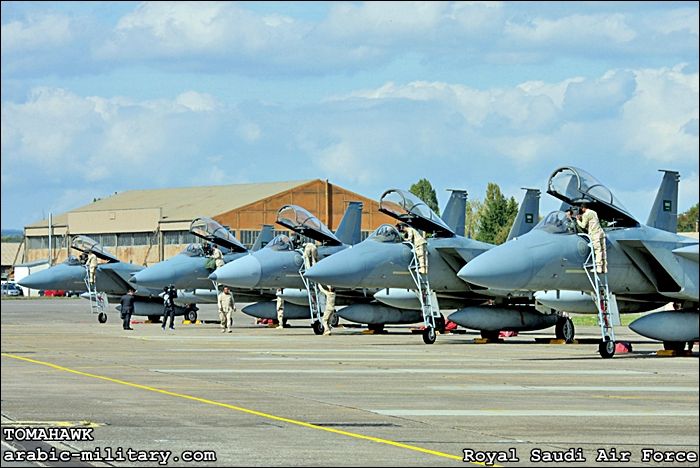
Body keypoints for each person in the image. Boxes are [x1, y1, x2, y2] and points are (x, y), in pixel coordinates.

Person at [570, 202, 607, 274]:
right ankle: (604, 268)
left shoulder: (586, 214)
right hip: (600, 232)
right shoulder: (594, 212)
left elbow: (583, 226)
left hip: (594, 234)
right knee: (603, 250)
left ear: (583, 208)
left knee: (597, 250)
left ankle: (598, 268)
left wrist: (578, 220)